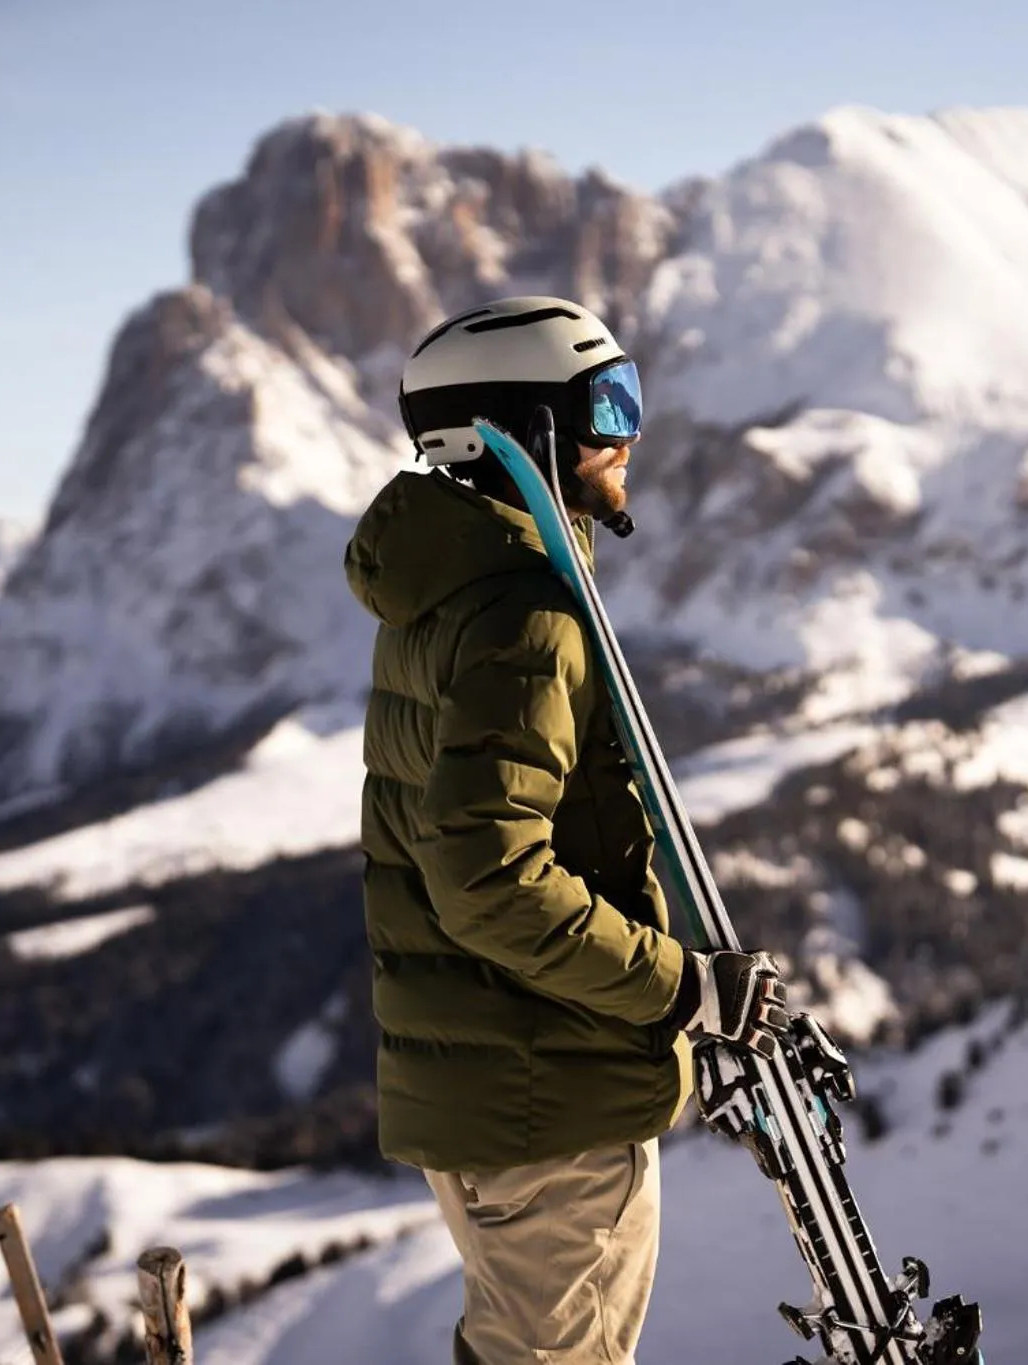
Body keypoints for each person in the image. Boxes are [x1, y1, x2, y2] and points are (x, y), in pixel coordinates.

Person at [342, 295, 792, 1364]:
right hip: (552, 1101)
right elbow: (490, 878)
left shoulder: (445, 591)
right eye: (606, 404)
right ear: (517, 427)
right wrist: (682, 987)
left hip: (503, 1090)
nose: (630, 433)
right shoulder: (524, 615)